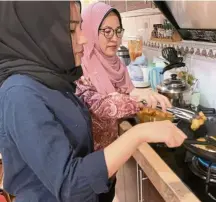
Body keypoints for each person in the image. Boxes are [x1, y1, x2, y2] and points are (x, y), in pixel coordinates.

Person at [0, 1, 186, 202]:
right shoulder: (21, 94)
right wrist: (138, 134)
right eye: (71, 29)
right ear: (37, 34)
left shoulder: (55, 80)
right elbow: (70, 184)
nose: (83, 38)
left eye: (80, 26)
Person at [76, 2, 171, 151]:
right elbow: (98, 105)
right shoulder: (81, 66)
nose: (115, 38)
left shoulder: (118, 64)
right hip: (94, 156)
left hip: (117, 148)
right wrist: (136, 98)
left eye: (118, 31)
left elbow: (126, 94)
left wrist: (143, 95)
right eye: (107, 31)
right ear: (91, 31)